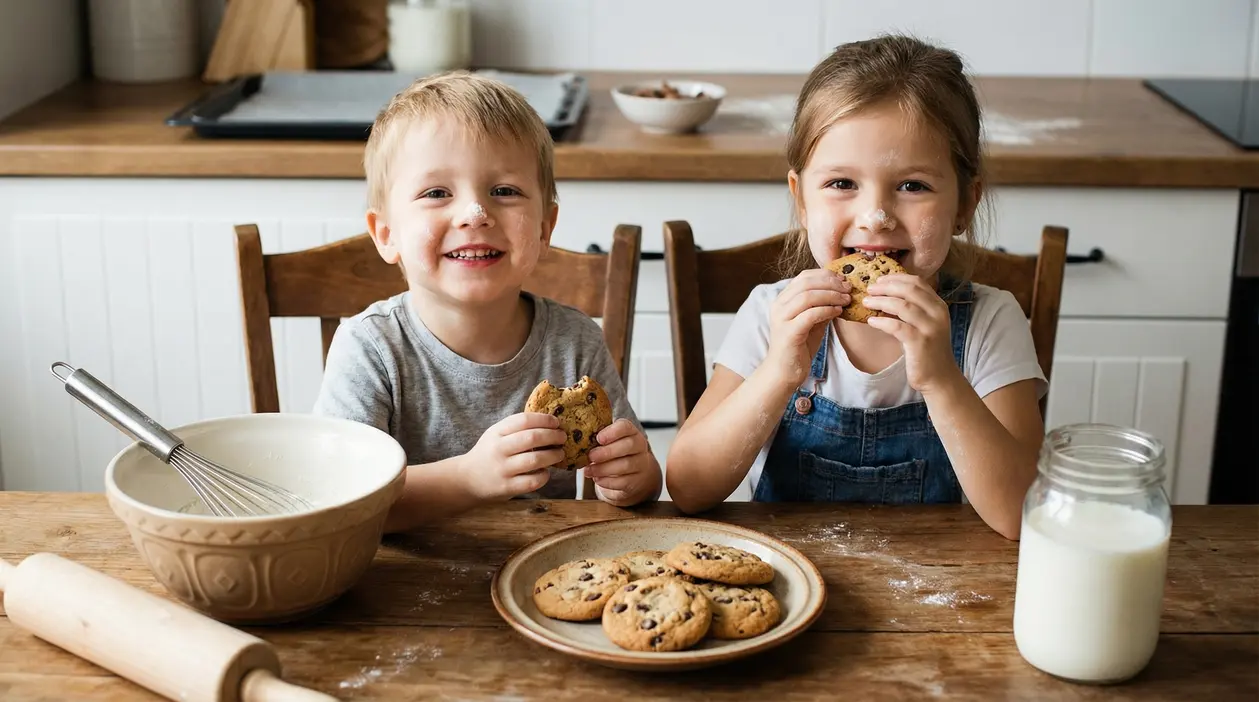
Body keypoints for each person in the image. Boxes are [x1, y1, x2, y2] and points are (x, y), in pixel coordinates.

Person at [664, 35, 1047, 540]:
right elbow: (688, 488)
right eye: (842, 183)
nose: (876, 217)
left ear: (964, 204)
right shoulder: (769, 316)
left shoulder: (989, 323)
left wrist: (940, 379)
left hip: (945, 587)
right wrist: (779, 372)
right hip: (792, 584)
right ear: (802, 199)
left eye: (913, 185)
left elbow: (1024, 514)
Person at [314, 71, 662, 532]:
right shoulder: (370, 347)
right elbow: (342, 498)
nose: (475, 214)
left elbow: (638, 479)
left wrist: (633, 478)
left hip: (539, 574)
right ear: (386, 233)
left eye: (504, 191)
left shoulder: (574, 341)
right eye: (437, 193)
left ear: (544, 228)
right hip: (400, 586)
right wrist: (468, 478)